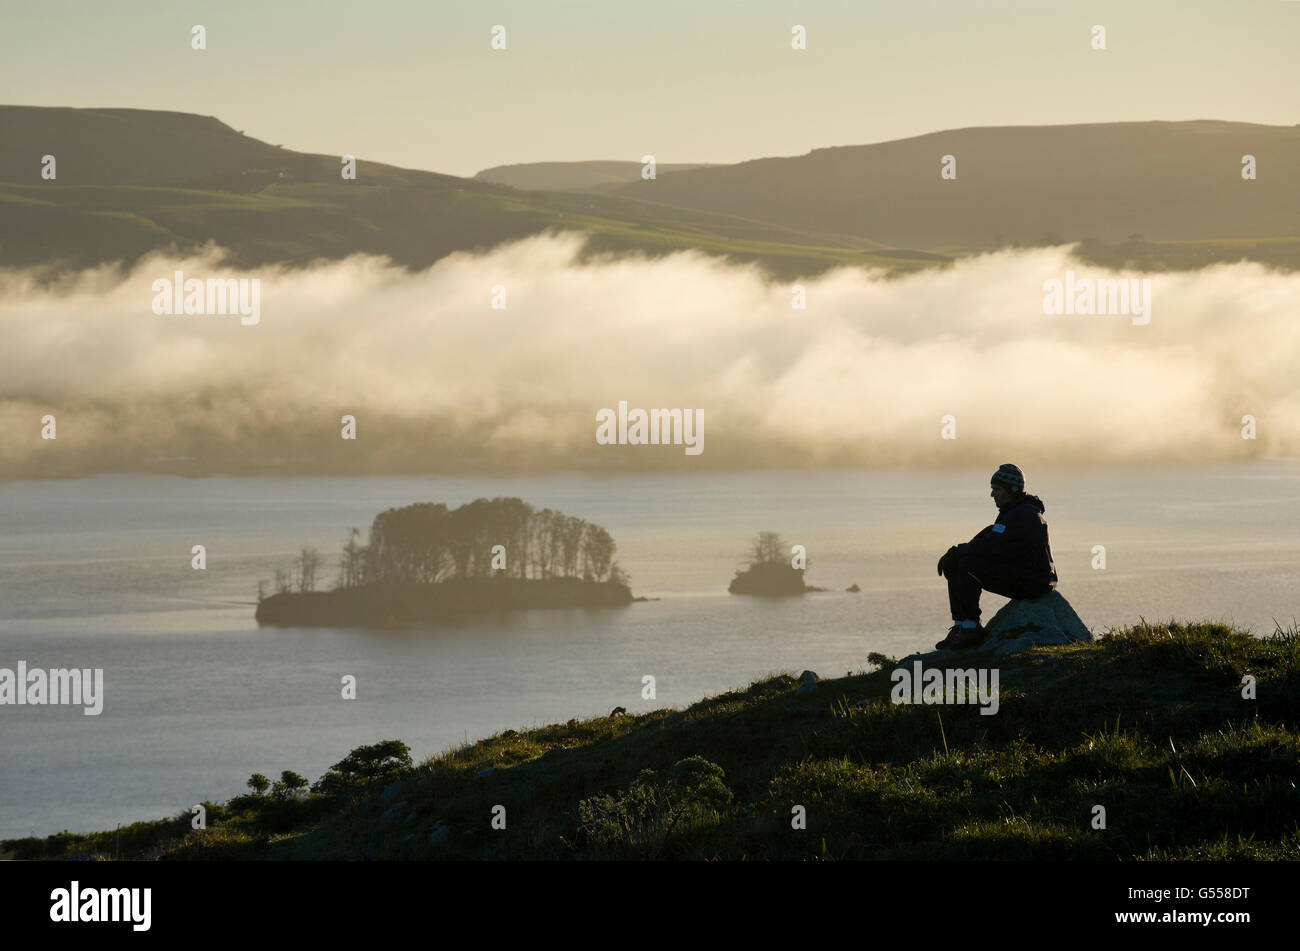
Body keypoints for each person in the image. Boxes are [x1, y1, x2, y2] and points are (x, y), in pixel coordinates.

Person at [935, 464, 1058, 650]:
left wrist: (958, 551)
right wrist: (956, 553)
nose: (992, 495)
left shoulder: (1025, 515)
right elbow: (991, 539)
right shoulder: (1012, 512)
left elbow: (992, 547)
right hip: (1023, 575)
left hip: (1035, 582)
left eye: (997, 490)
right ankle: (961, 624)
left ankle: (971, 627)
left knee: (968, 564)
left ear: (1013, 490)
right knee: (959, 561)